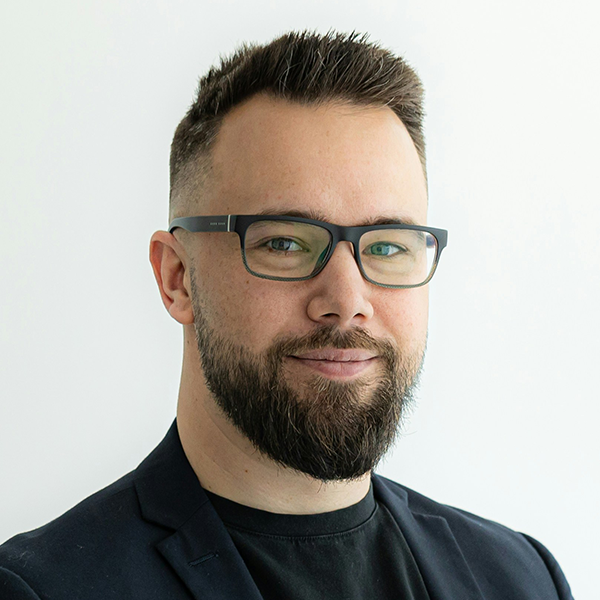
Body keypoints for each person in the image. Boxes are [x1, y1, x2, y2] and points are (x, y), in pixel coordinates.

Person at [0, 30, 573, 600]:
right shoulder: (42, 588)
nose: (347, 299)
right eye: (284, 243)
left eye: (386, 246)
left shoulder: (521, 578)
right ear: (178, 278)